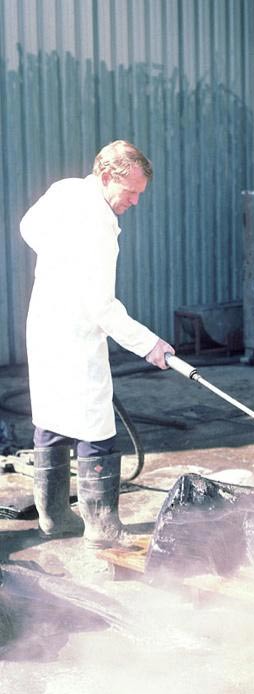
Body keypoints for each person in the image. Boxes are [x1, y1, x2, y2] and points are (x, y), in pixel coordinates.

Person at [20, 140, 175, 548]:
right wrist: (151, 345)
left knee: (51, 417)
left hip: (45, 322)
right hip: (75, 332)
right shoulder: (98, 226)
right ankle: (103, 527)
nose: (136, 201)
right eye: (131, 192)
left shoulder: (64, 190)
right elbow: (102, 308)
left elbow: (27, 227)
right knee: (96, 427)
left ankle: (53, 518)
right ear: (107, 176)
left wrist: (59, 261)